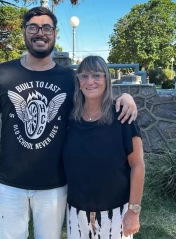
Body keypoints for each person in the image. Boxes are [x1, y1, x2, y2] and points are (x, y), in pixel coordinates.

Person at [0, 7, 138, 239]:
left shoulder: (68, 78)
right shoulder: (4, 73)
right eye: (33, 27)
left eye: (46, 28)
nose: (39, 33)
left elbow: (94, 96)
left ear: (54, 34)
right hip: (9, 184)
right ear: (24, 31)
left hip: (54, 185)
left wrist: (125, 98)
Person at [63, 55, 145, 239]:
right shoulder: (70, 118)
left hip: (116, 214)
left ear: (106, 79)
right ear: (78, 81)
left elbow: (137, 166)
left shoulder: (123, 116)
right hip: (77, 213)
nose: (90, 81)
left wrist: (133, 212)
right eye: (84, 76)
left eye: (96, 75)